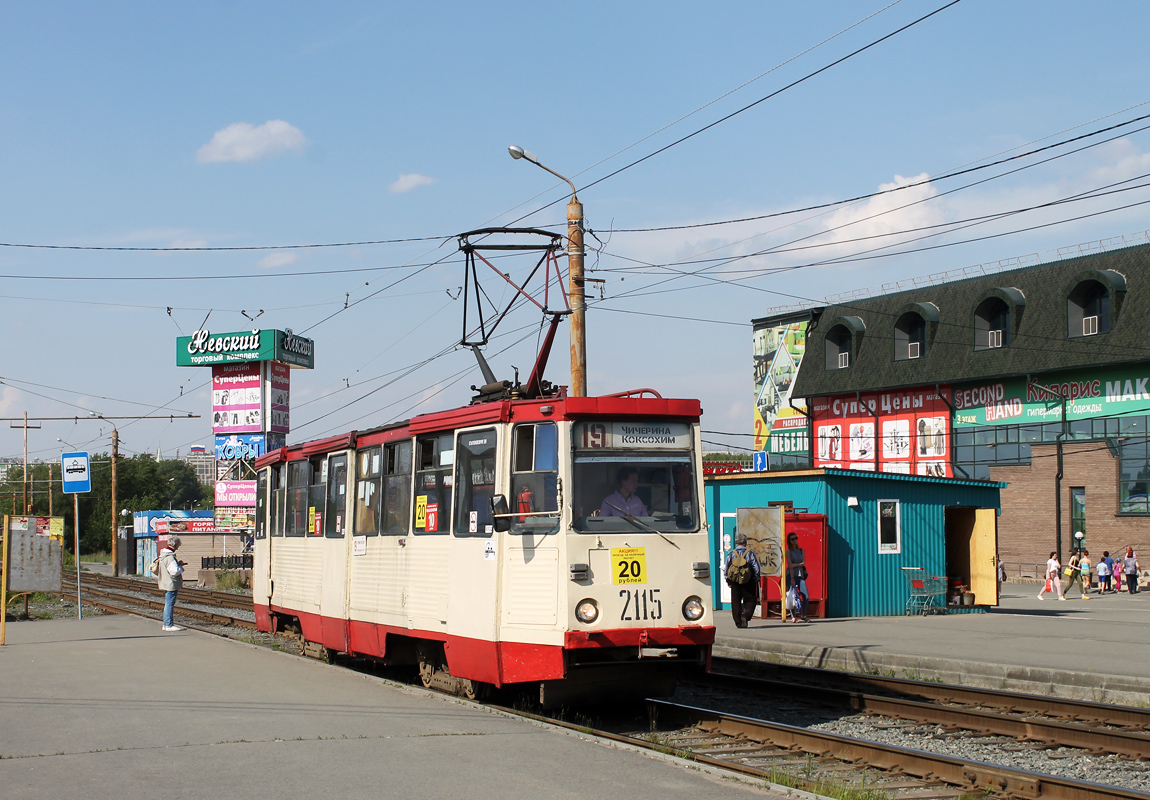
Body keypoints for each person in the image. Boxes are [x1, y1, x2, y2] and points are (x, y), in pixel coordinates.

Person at [724, 533, 760, 628]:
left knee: (735, 602)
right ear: (745, 542)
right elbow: (756, 567)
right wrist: (756, 578)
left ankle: (738, 622)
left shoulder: (731, 553)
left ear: (736, 542)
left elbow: (726, 568)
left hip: (735, 581)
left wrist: (728, 581)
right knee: (751, 600)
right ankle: (746, 615)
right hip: (748, 580)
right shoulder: (750, 553)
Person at [157, 534, 186, 631]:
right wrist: (181, 568)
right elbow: (174, 571)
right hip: (171, 583)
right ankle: (168, 624)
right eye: (178, 545)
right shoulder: (170, 557)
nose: (178, 547)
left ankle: (166, 624)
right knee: (169, 604)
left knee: (167, 603)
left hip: (165, 581)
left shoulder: (163, 555)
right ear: (176, 545)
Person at [785, 532, 809, 622]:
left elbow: (803, 563)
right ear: (789, 541)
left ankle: (803, 615)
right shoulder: (788, 552)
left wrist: (795, 565)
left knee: (805, 596)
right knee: (792, 595)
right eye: (792, 539)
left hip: (800, 575)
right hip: (791, 575)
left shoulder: (801, 550)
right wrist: (791, 578)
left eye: (796, 538)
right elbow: (790, 566)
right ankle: (793, 616)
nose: (795, 540)